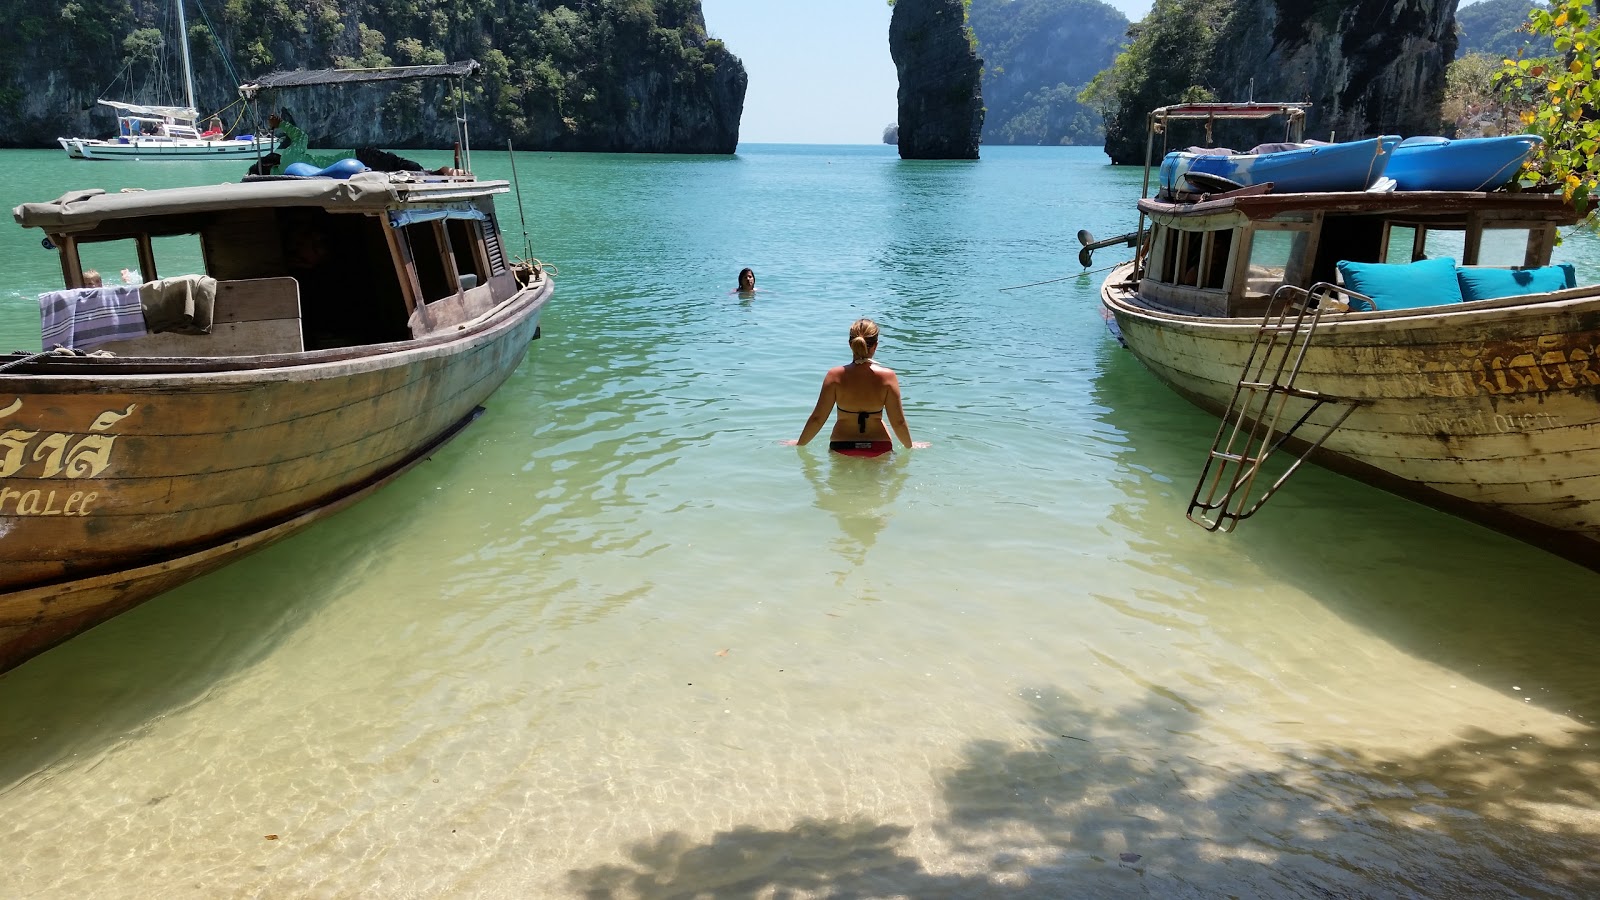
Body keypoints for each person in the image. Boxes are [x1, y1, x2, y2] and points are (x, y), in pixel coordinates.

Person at [789, 318, 927, 457]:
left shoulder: (835, 376)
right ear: (875, 346)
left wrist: (800, 443)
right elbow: (898, 422)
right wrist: (910, 445)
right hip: (879, 446)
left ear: (850, 344)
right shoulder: (888, 377)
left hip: (842, 446)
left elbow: (817, 418)